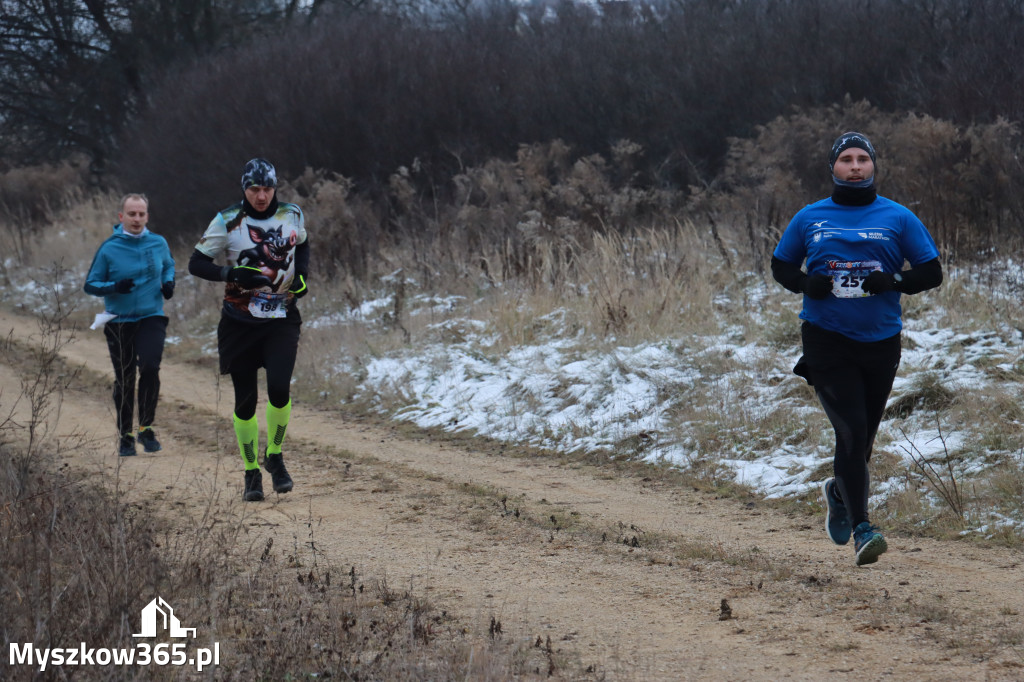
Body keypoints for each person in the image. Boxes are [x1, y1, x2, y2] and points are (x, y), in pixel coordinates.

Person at [771, 132, 942, 566]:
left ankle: (839, 491)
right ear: (833, 167)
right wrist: (804, 283)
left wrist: (896, 280)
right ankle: (864, 527)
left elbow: (931, 271)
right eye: (845, 159)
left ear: (873, 166)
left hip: (881, 341)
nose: (854, 166)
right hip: (826, 338)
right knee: (848, 431)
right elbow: (781, 264)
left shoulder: (898, 217)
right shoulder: (810, 217)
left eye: (862, 159)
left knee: (862, 439)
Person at [187, 158, 309, 501]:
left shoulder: (292, 214)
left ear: (275, 188)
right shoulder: (226, 220)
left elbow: (302, 245)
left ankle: (276, 456)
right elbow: (196, 263)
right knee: (245, 402)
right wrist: (230, 274)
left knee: (280, 388)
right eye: (255, 189)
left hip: (282, 317)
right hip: (239, 322)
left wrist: (302, 278)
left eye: (267, 189)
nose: (261, 196)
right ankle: (251, 472)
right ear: (244, 188)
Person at [84, 193, 176, 457]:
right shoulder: (109, 248)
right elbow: (90, 284)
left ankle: (146, 428)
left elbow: (169, 266)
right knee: (125, 378)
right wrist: (114, 287)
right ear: (121, 217)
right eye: (132, 214)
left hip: (151, 316)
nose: (137, 219)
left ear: (147, 216)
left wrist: (168, 283)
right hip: (119, 321)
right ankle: (125, 435)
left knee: (149, 366)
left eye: (141, 214)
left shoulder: (158, 242)